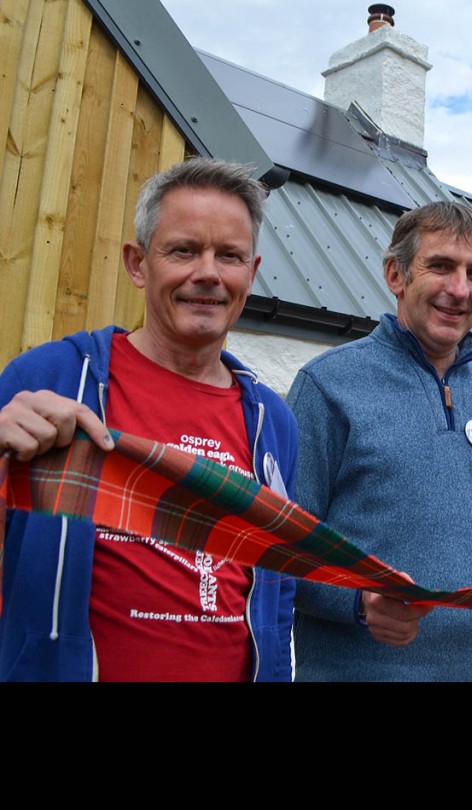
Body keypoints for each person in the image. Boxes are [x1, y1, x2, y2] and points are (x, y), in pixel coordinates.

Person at [0, 157, 298, 682]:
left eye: (229, 255)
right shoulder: (50, 377)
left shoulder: (272, 421)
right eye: (184, 250)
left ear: (250, 275)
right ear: (138, 264)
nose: (208, 273)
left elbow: (277, 582)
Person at [286, 200, 472, 681]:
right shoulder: (327, 386)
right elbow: (283, 547)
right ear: (396, 275)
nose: (460, 289)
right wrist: (358, 601)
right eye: (440, 266)